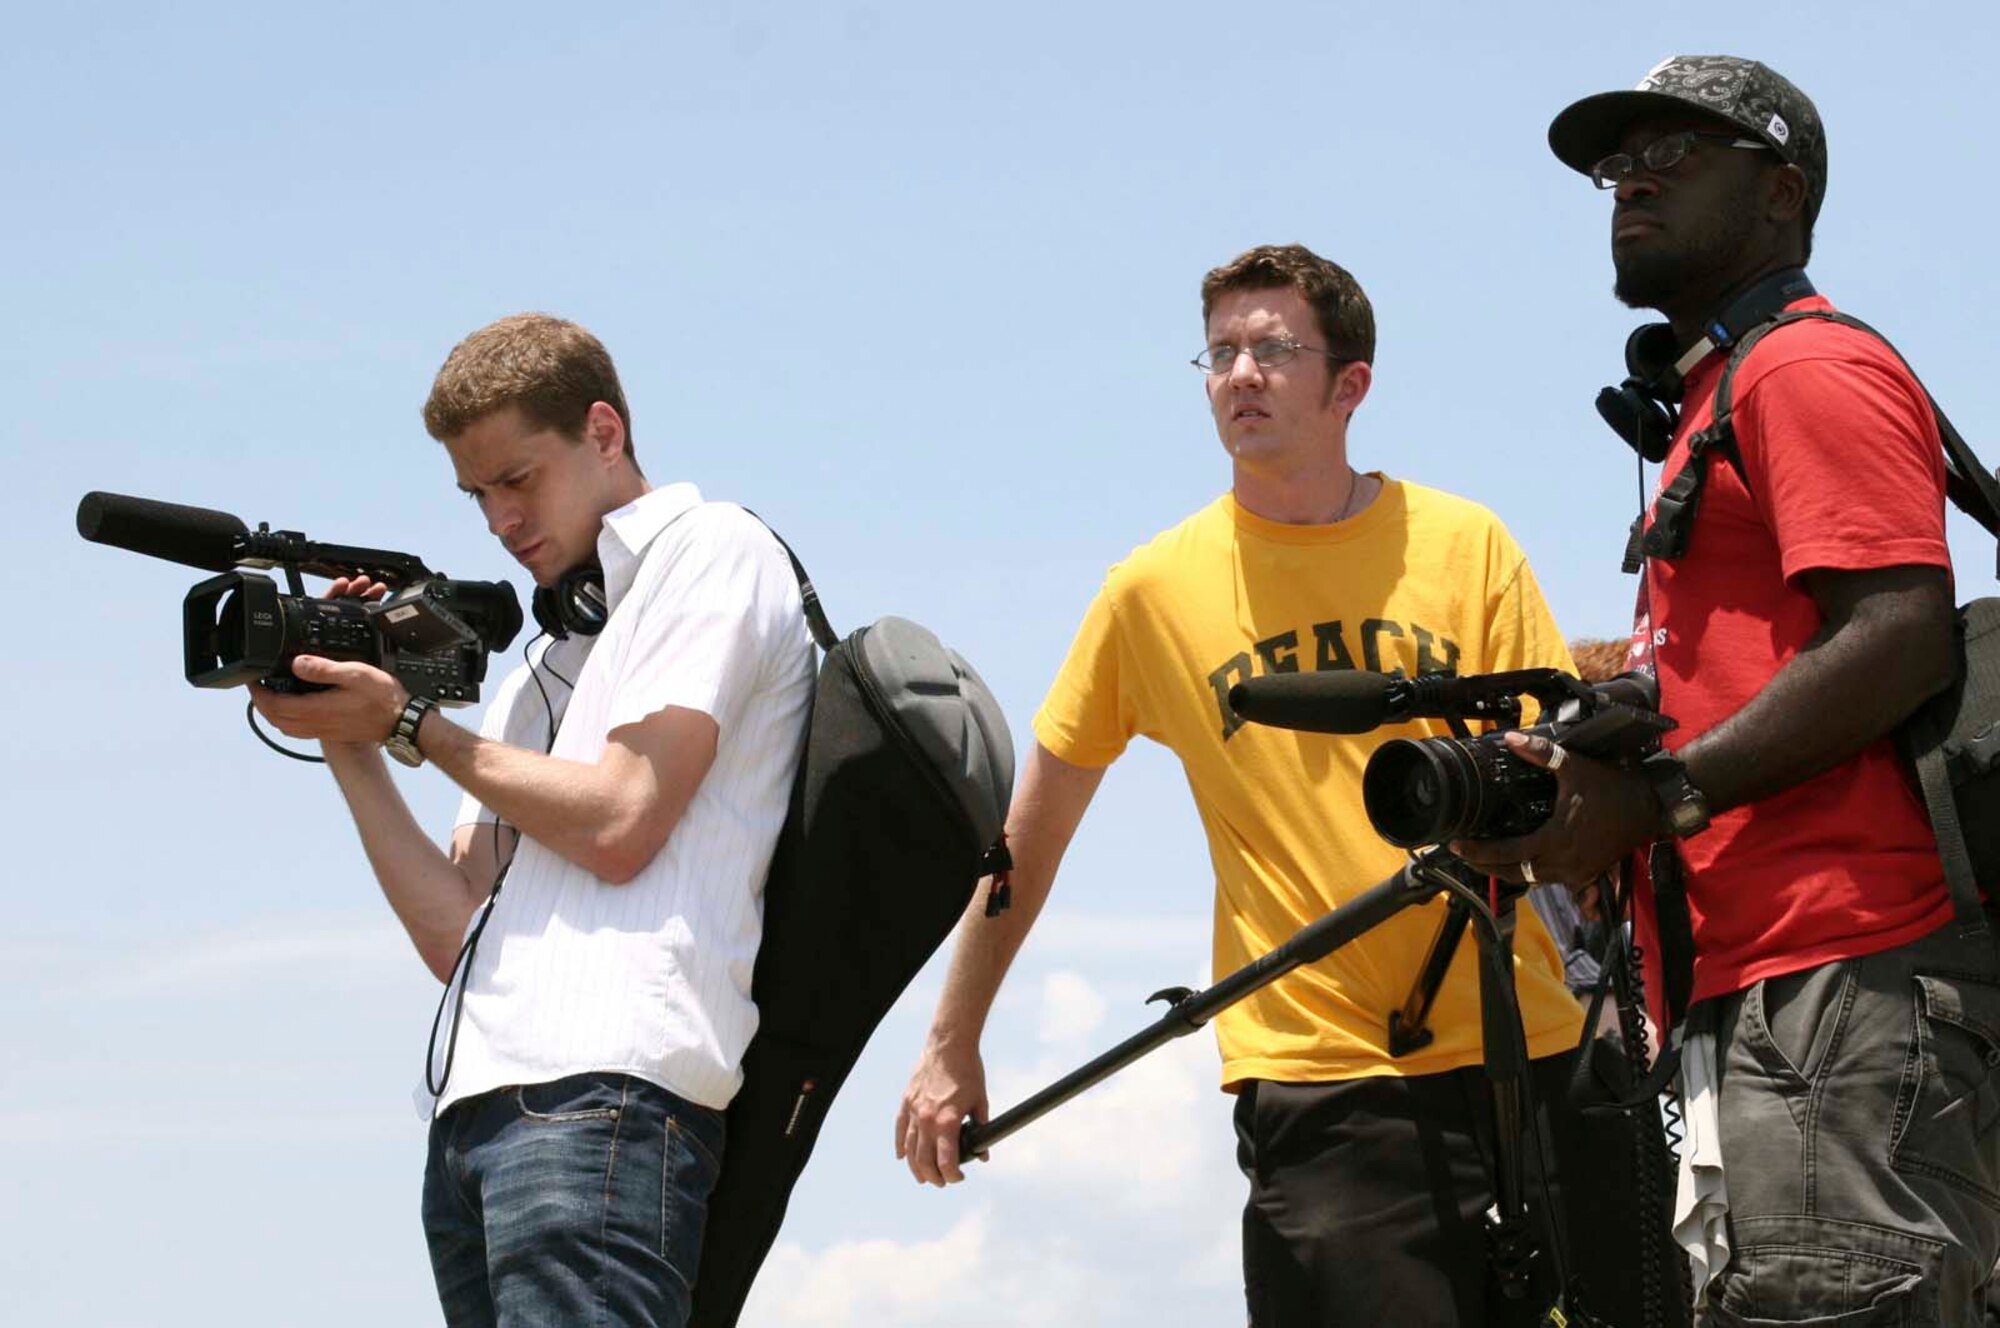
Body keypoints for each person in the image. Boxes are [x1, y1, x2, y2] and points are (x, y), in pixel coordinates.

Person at [897, 244, 1603, 1326]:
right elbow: (1022, 840)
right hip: (1319, 1076)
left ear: (1349, 384)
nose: (1239, 375)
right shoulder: (1151, 591)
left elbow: (1555, 778)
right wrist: (951, 1040)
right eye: (1219, 351)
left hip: (1531, 1045)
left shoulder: (1465, 546)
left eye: (1273, 349)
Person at [1456, 55, 2000, 1322]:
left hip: (1841, 979)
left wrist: (1656, 794)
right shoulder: (1713, 391)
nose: (1628, 180)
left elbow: (1898, 632)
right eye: (1614, 164)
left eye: (1677, 155)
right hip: (1773, 991)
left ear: (1779, 194)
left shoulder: (1798, 368)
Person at [250, 313, 815, 1327]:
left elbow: (622, 818)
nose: (500, 519)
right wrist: (350, 736)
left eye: (518, 479)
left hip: (608, 1096)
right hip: (474, 1118)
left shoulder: (712, 551)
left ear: (604, 431)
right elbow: (451, 930)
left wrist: (416, 722)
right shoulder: (542, 668)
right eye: (476, 494)